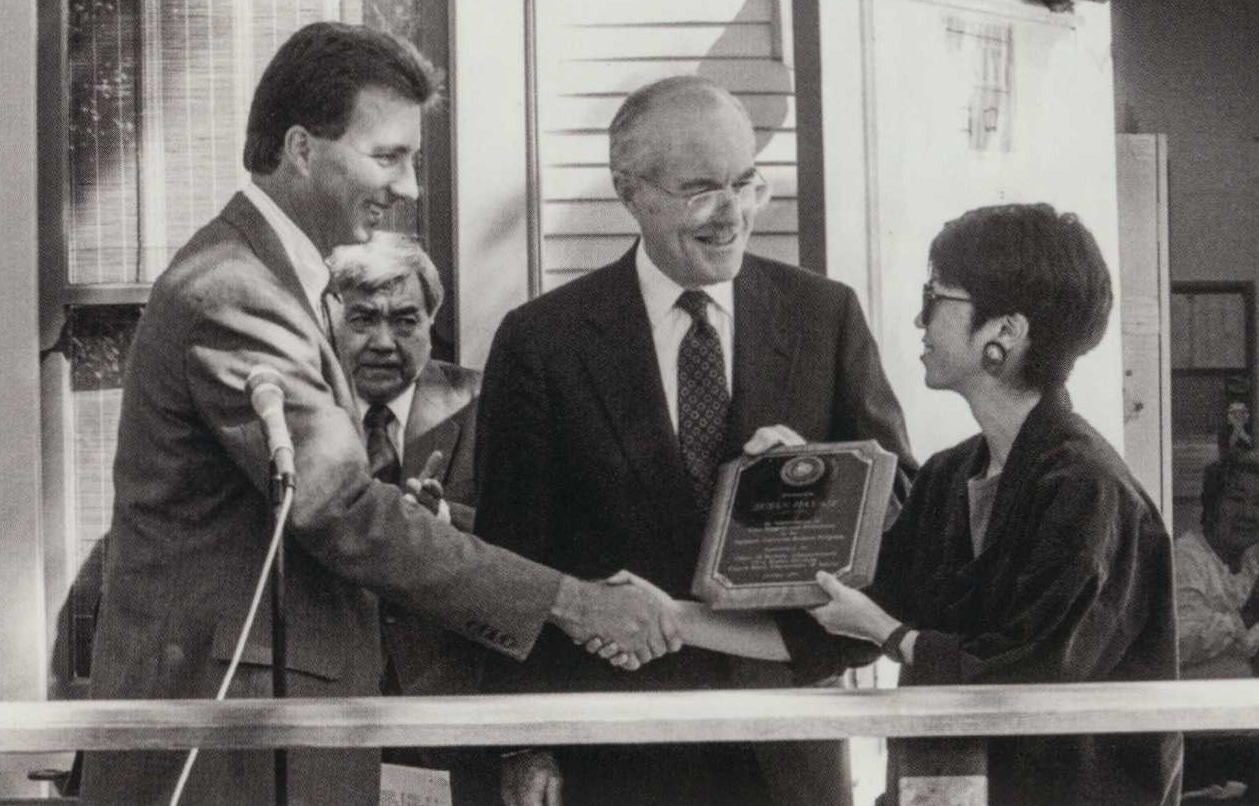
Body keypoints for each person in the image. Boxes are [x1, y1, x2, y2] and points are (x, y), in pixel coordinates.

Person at [81, 23, 679, 806]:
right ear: (301, 148)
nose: (410, 189)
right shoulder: (234, 291)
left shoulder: (276, 278)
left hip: (278, 730)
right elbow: (340, 509)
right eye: (388, 156)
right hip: (233, 741)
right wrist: (571, 600)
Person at [474, 75, 915, 806]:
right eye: (700, 189)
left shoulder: (822, 315)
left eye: (744, 182)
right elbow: (509, 555)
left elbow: (903, 507)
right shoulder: (541, 341)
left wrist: (819, 481)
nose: (731, 214)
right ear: (629, 191)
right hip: (615, 749)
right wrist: (524, 739)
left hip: (786, 743)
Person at [774, 203, 1181, 806]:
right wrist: (676, 619)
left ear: (1004, 333)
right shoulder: (948, 475)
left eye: (935, 297)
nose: (920, 319)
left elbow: (1035, 672)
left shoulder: (1088, 486)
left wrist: (886, 632)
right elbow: (853, 615)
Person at [328, 231, 494, 803]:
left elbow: (531, 542)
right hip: (326, 715)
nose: (382, 341)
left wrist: (443, 522)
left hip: (448, 714)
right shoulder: (298, 416)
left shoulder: (484, 404)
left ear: (431, 323)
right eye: (362, 319)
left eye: (405, 321)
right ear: (330, 321)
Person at [1176, 456, 1259, 804]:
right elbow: (1179, 643)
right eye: (1236, 499)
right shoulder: (1183, 560)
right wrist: (1247, 615)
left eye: (1258, 502)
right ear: (1209, 503)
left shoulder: (1252, 562)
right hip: (1204, 738)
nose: (1249, 513)